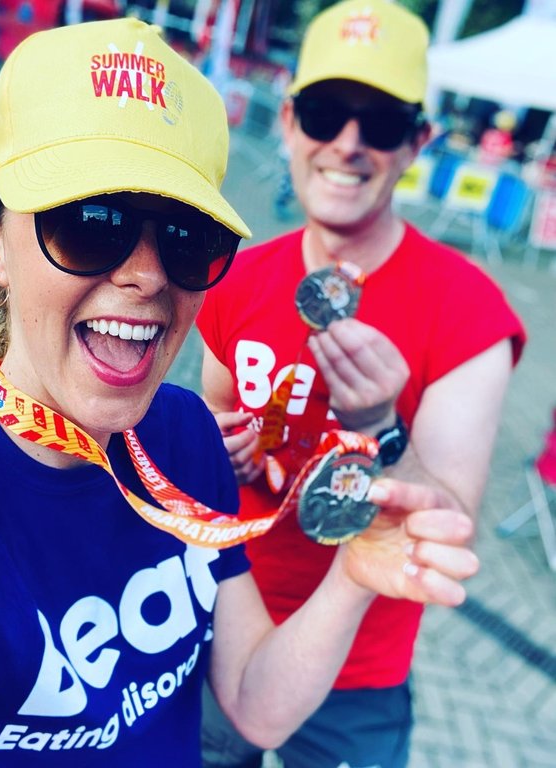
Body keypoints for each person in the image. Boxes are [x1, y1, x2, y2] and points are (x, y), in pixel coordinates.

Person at [0, 15, 480, 767]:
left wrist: (354, 576)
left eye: (186, 238)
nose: (148, 273)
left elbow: (254, 709)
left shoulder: (187, 433)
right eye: (92, 224)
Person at [196, 2, 527, 767]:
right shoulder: (238, 276)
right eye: (324, 113)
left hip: (357, 667)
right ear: (287, 121)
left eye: (378, 123)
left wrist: (381, 422)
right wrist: (225, 448)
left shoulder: (469, 309)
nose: (346, 144)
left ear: (418, 142)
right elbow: (216, 414)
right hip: (225, 614)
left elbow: (451, 522)